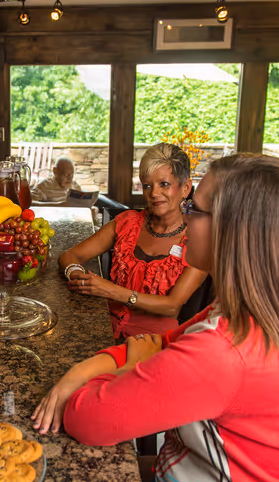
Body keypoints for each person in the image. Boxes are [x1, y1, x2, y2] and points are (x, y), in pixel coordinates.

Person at [33, 154, 279, 482]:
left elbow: (83, 417)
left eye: (196, 209)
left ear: (232, 230)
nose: (187, 217)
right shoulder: (250, 316)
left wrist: (131, 364)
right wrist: (78, 372)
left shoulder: (220, 353)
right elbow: (161, 343)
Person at [58, 143, 208, 340]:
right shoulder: (127, 223)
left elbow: (172, 306)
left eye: (164, 184)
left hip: (155, 345)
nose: (154, 193)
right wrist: (79, 277)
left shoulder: (200, 242)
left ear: (185, 188)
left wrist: (111, 290)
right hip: (104, 330)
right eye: (147, 185)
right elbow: (70, 256)